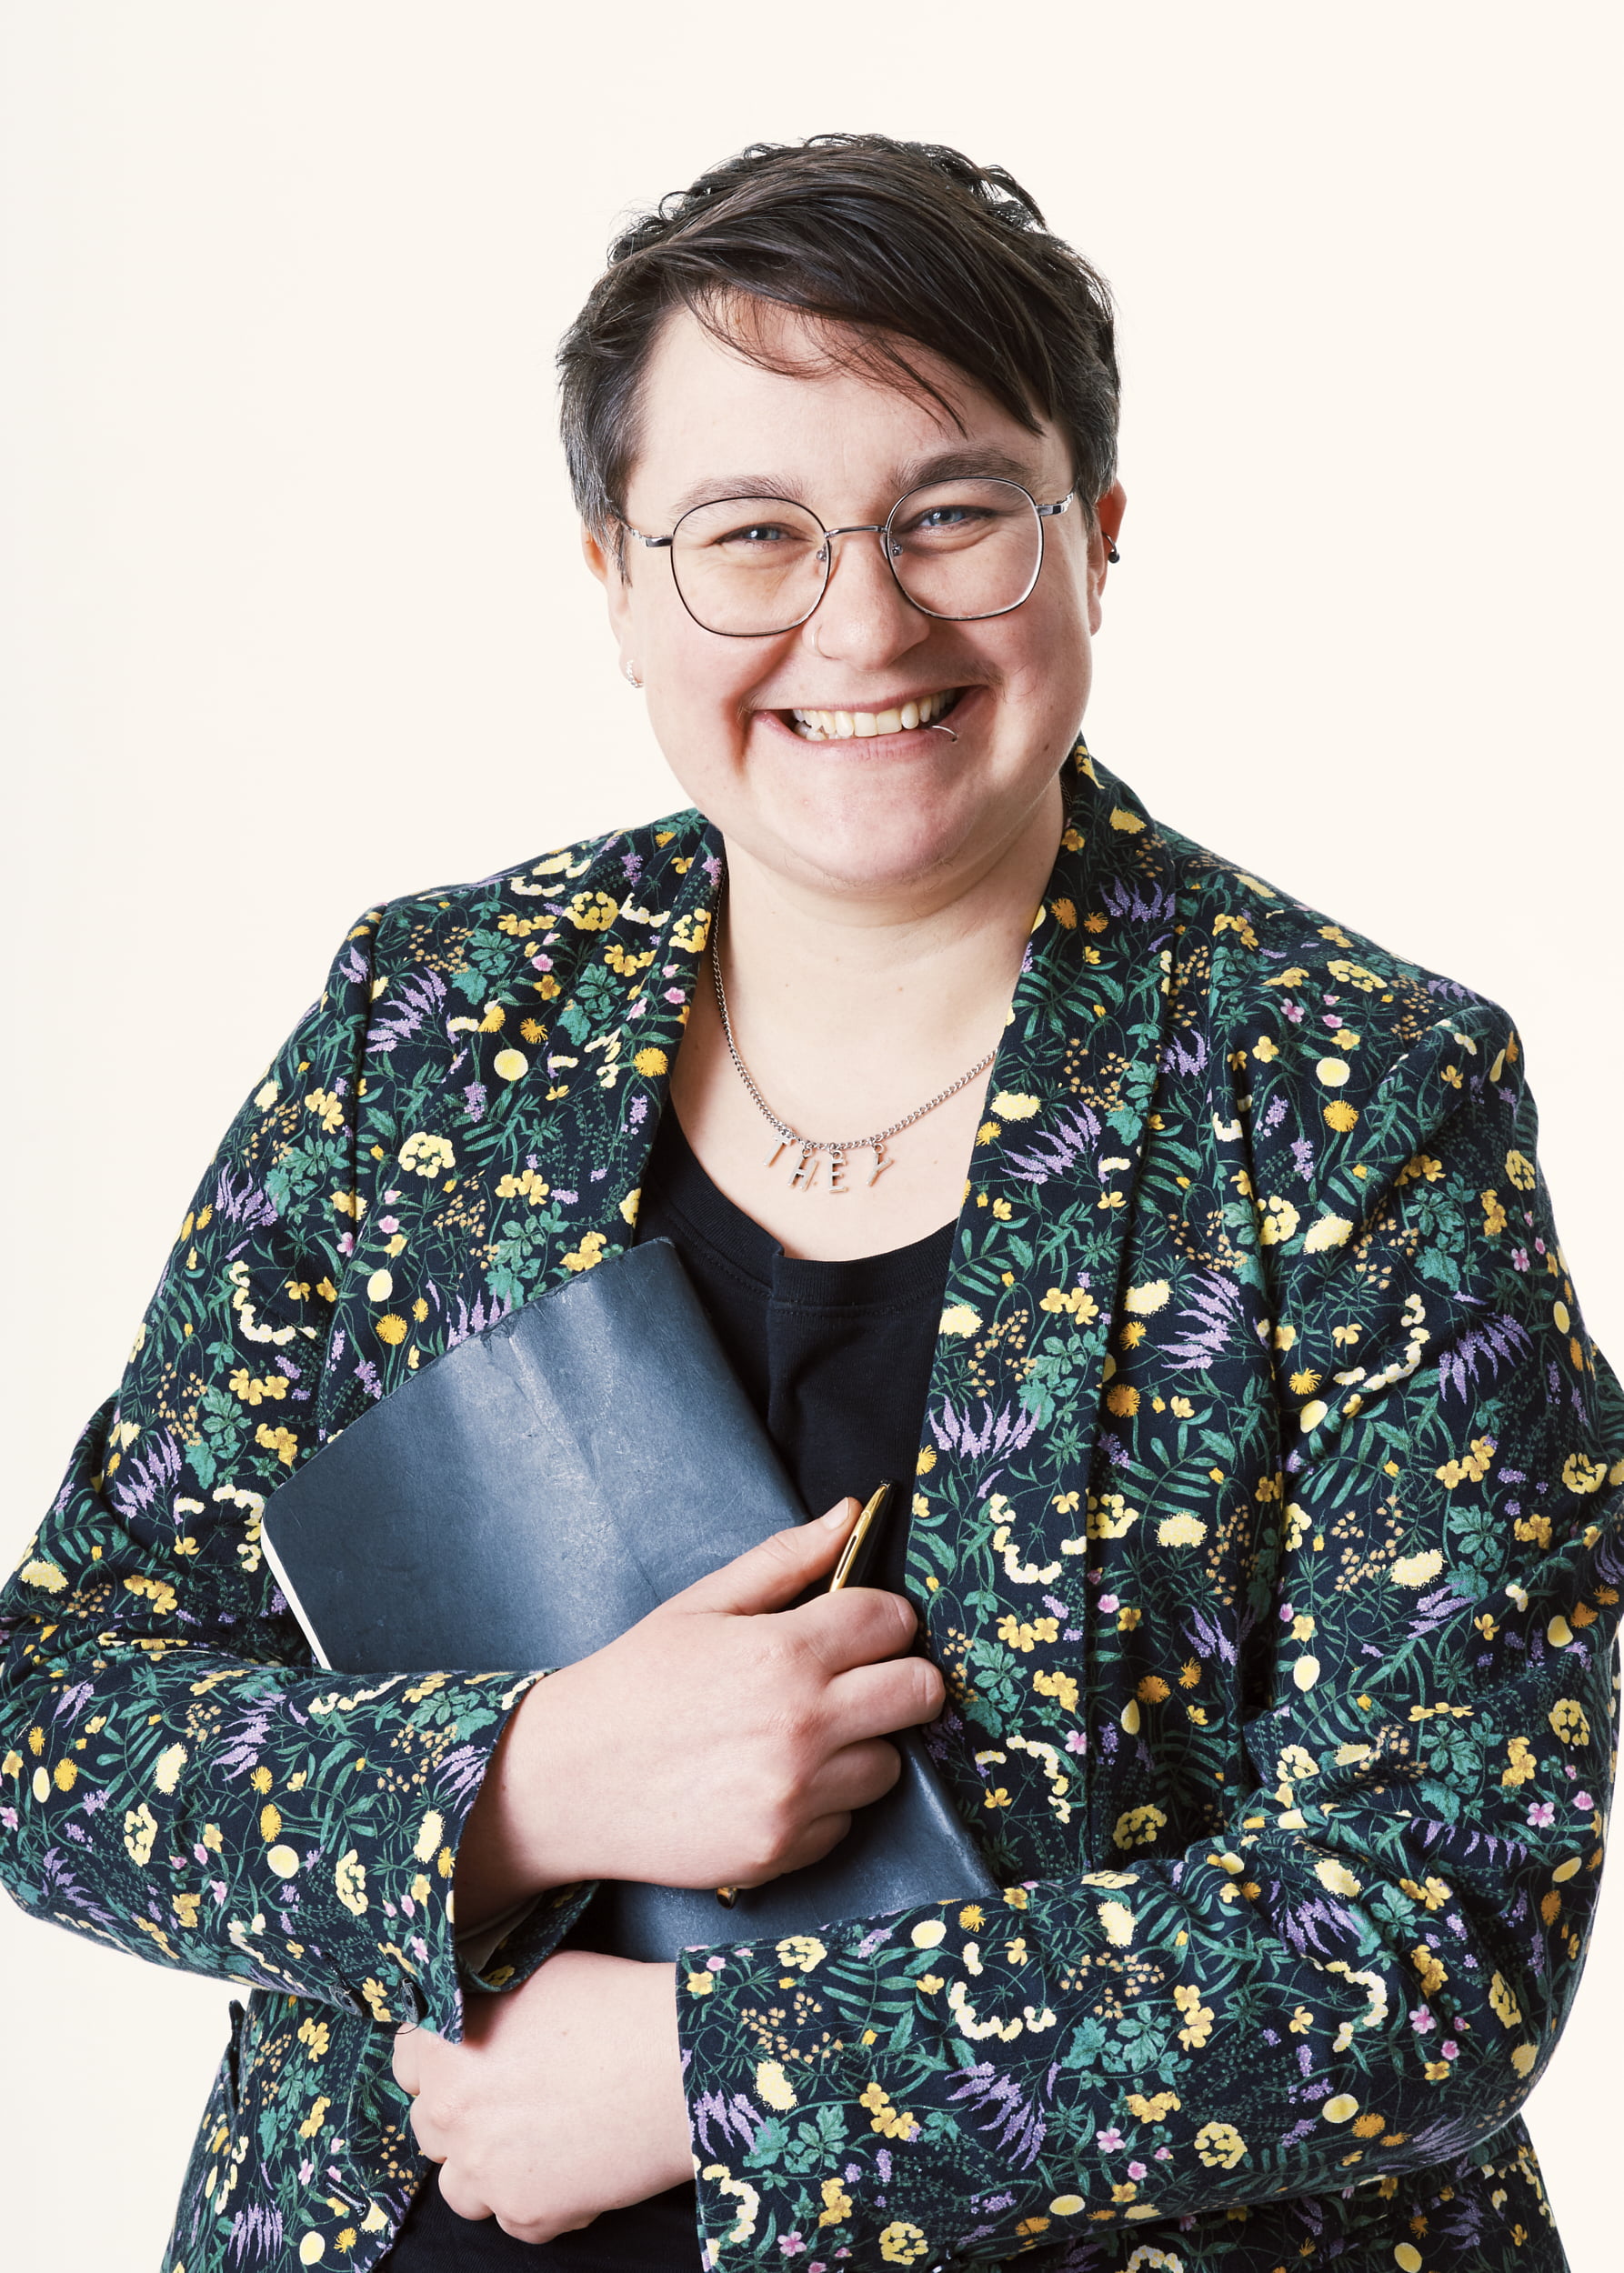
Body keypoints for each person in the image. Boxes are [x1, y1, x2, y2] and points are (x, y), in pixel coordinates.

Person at [1, 133, 1617, 2273]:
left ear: (1096, 539)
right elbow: (58, 1709)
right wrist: (524, 1777)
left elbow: (1429, 1934)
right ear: (614, 582)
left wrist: (700, 2067)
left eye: (950, 512)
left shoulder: (1355, 1097)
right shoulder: (431, 1026)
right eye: (748, 534)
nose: (858, 617)